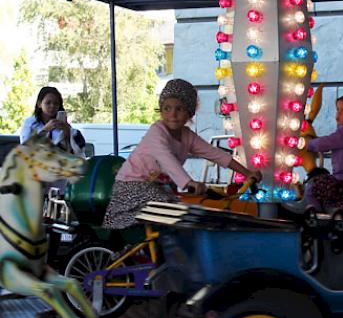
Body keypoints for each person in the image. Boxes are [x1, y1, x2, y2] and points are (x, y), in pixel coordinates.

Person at [102, 79, 262, 230]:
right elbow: (167, 159)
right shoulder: (156, 132)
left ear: (189, 113)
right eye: (167, 108)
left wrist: (247, 173)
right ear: (161, 110)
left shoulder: (187, 136)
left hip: (158, 186)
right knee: (174, 211)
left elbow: (215, 154)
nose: (173, 114)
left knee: (188, 212)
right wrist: (189, 182)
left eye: (179, 109)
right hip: (133, 185)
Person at [302, 93, 343, 212]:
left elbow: (326, 142)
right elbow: (330, 141)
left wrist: (307, 143)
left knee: (312, 187)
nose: (338, 114)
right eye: (338, 109)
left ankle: (314, 213)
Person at [19, 86, 86, 156]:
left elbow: (79, 150)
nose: (52, 106)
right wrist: (45, 130)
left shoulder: (62, 124)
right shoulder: (30, 123)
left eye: (56, 103)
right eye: (48, 103)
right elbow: (25, 148)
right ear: (39, 104)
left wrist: (68, 132)